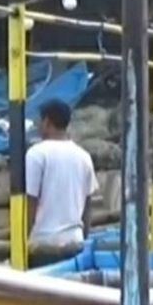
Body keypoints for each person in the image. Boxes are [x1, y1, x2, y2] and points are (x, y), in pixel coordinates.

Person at [26, 99, 99, 264]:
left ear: (46, 122)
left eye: (39, 120)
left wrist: (22, 240)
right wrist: (84, 239)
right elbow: (88, 206)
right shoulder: (84, 156)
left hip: (44, 244)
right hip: (75, 242)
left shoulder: (36, 154)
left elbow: (31, 202)